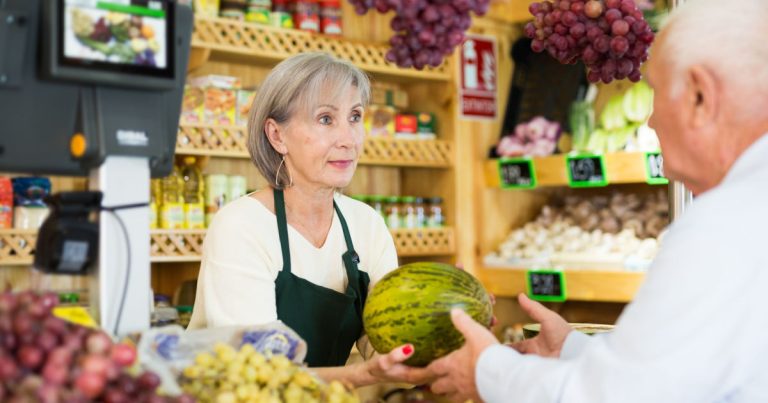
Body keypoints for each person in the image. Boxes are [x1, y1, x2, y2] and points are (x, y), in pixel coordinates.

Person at [423, 0, 768, 401]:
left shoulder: (722, 226)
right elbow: (673, 377)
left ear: (700, 96)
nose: (651, 120)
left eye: (655, 92)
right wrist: (571, 350)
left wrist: (486, 371)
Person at [188, 52, 429, 387]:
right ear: (277, 136)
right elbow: (258, 374)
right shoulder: (241, 227)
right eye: (326, 119)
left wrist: (445, 325)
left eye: (355, 117)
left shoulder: (366, 225)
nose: (348, 139)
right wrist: (357, 375)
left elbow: (387, 347)